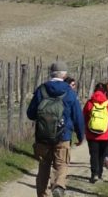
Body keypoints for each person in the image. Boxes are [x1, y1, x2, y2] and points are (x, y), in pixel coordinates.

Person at [27, 60, 85, 197]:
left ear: (51, 73)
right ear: (64, 75)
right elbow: (77, 116)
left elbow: (30, 114)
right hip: (63, 136)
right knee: (61, 164)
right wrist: (80, 135)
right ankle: (58, 185)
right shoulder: (70, 92)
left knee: (43, 167)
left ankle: (42, 194)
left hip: (42, 137)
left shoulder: (41, 90)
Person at [84, 82, 108, 183]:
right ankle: (99, 174)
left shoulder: (89, 103)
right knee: (101, 155)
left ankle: (94, 174)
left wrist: (85, 130)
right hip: (105, 134)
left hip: (91, 134)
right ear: (105, 92)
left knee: (93, 154)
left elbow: (85, 117)